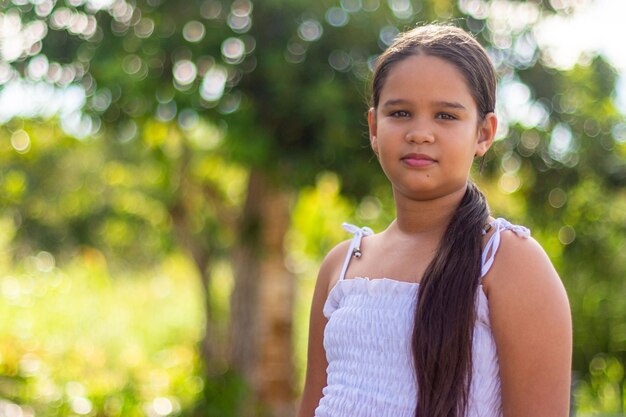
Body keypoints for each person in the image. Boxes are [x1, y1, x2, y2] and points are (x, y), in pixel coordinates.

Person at [296, 24, 572, 417]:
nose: (420, 133)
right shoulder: (342, 267)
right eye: (401, 112)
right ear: (375, 127)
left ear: (483, 133)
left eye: (445, 115)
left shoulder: (506, 262)